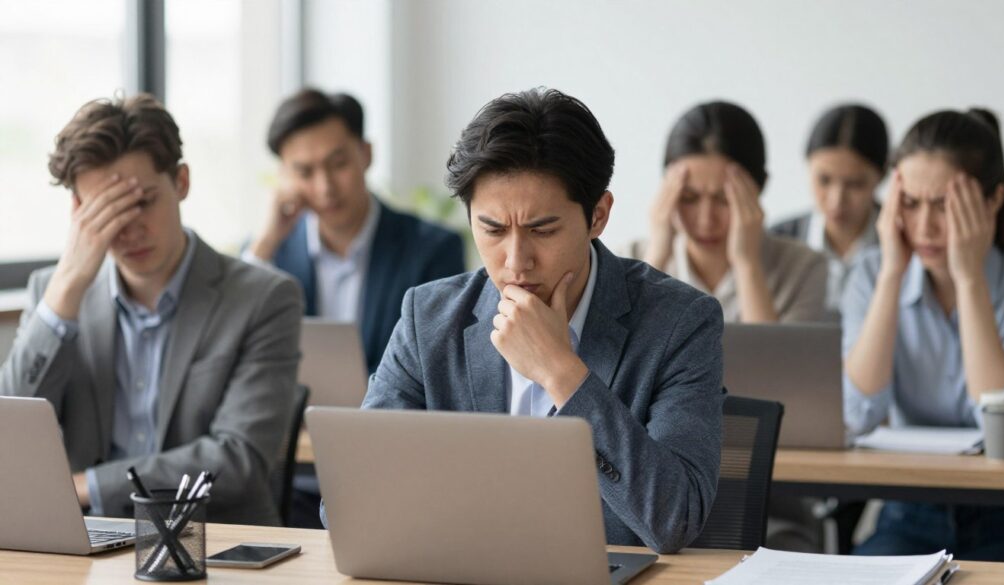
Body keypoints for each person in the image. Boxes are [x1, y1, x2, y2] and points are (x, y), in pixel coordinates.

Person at [324, 88, 726, 553]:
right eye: (492, 229)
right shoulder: (428, 318)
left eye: (542, 230)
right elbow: (347, 503)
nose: (516, 262)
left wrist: (562, 373)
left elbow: (675, 518)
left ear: (598, 215)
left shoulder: (680, 323)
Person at [0, 94, 303, 525]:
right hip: (86, 537)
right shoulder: (53, 293)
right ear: (78, 211)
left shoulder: (264, 297)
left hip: (213, 537)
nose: (128, 229)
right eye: (106, 211)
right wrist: (65, 294)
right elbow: (10, 436)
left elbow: (240, 460)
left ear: (181, 181)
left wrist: (88, 486)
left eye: (141, 202)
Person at [844, 108, 1004, 561]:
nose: (924, 226)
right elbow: (857, 414)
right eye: (910, 203)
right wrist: (891, 274)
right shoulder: (871, 274)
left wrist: (969, 279)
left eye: (944, 205)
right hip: (910, 511)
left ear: (993, 201)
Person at [245, 88, 465, 374]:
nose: (325, 187)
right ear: (284, 176)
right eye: (305, 172)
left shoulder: (432, 249)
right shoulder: (272, 253)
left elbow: (440, 367)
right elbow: (235, 346)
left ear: (366, 154)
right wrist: (265, 244)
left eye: (338, 164)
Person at [627, 101, 827, 323]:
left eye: (724, 199)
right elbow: (622, 345)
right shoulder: (629, 260)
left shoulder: (802, 268)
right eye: (689, 198)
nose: (706, 220)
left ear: (758, 188)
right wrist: (656, 257)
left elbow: (771, 347)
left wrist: (746, 263)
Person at [772, 104, 889, 315]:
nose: (837, 200)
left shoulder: (908, 245)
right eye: (824, 180)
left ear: (882, 176)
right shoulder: (778, 239)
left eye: (855, 184)